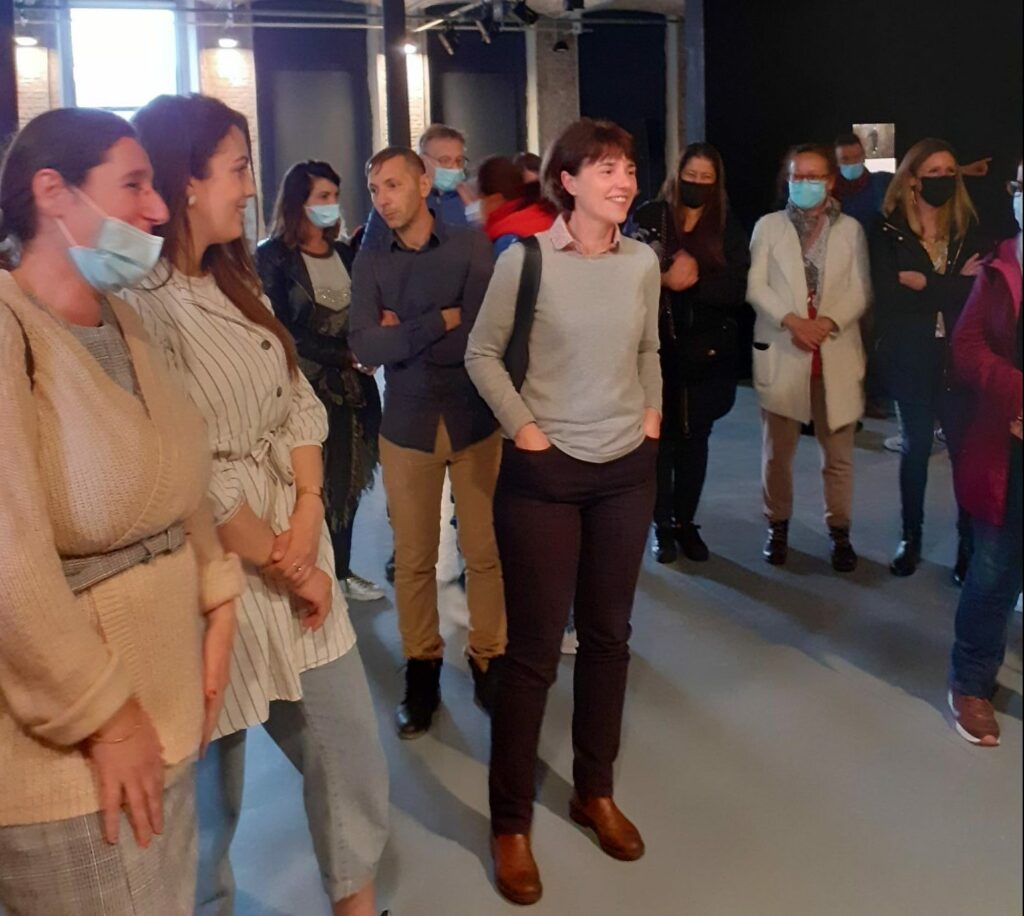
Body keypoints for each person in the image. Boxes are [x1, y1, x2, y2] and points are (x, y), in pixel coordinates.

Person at [126, 94, 388, 916]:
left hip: (292, 541)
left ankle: (355, 904)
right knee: (210, 793)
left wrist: (309, 509)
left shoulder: (235, 279)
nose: (249, 186)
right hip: (217, 574)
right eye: (237, 168)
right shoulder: (140, 303)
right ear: (187, 179)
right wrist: (286, 558)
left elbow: (297, 397)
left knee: (348, 756)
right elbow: (191, 465)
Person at [0, 108, 240, 915]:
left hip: (164, 712)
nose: (158, 208)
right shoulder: (10, 328)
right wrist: (104, 717)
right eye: (133, 184)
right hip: (75, 756)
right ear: (52, 192)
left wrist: (219, 599)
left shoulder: (122, 320)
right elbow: (10, 565)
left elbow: (180, 475)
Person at [466, 118, 662, 906]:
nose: (624, 182)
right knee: (534, 655)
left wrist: (650, 415)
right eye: (606, 169)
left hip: (626, 472)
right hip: (545, 477)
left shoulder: (642, 262)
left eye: (629, 169)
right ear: (567, 182)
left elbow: (648, 349)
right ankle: (510, 823)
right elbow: (482, 353)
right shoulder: (526, 260)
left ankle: (594, 791)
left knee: (610, 639)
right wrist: (525, 429)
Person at [349, 146, 506, 737]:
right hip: (408, 425)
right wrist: (439, 320)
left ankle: (489, 657)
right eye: (374, 190)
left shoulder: (470, 246)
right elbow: (365, 346)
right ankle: (422, 667)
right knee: (413, 559)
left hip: (473, 417)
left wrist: (402, 333)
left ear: (422, 183)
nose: (383, 199)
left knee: (484, 551)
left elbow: (485, 334)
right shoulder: (371, 259)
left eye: (392, 185)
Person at [257, 160, 384, 603]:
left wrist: (370, 344)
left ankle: (341, 571)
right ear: (299, 202)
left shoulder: (346, 254)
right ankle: (307, 570)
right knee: (307, 486)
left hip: (354, 390)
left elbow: (366, 310)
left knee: (347, 482)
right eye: (322, 197)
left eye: (335, 196)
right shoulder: (273, 258)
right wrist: (343, 354)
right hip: (305, 385)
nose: (332, 205)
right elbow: (279, 326)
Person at [747, 143, 870, 572]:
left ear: (830, 182)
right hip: (785, 348)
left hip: (834, 352)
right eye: (798, 176)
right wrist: (793, 321)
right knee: (776, 455)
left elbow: (860, 289)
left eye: (814, 177)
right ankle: (777, 525)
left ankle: (839, 530)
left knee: (838, 457)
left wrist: (827, 322)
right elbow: (756, 286)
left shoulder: (850, 230)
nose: (805, 184)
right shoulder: (768, 227)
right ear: (788, 179)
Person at [870, 138, 985, 580]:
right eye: (933, 172)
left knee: (963, 452)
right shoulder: (887, 229)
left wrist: (927, 284)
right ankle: (911, 537)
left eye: (950, 171)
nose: (944, 179)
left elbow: (977, 291)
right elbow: (889, 294)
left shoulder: (967, 226)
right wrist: (952, 286)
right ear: (913, 179)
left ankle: (967, 543)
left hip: (958, 355)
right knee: (916, 448)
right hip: (910, 353)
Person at [632, 142, 750, 564]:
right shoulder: (652, 216)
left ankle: (686, 522)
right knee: (659, 443)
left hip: (707, 355)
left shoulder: (727, 226)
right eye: (691, 176)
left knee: (695, 441)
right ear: (676, 175)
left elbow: (737, 288)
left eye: (706, 178)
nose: (696, 184)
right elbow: (626, 272)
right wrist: (665, 280)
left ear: (717, 183)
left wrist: (694, 281)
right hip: (657, 352)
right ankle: (661, 525)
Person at [945, 162, 1022, 746]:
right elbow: (967, 347)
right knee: (993, 571)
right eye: (1022, 187)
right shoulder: (999, 270)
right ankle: (970, 682)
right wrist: (1016, 390)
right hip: (1007, 447)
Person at [358, 124, 471, 252]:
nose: (454, 167)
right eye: (445, 160)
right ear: (423, 161)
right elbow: (368, 254)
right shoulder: (394, 203)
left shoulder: (470, 200)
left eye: (459, 161)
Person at [476, 155, 557, 257]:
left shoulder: (506, 240)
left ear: (494, 199)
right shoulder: (545, 213)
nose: (480, 205)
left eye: (481, 198)